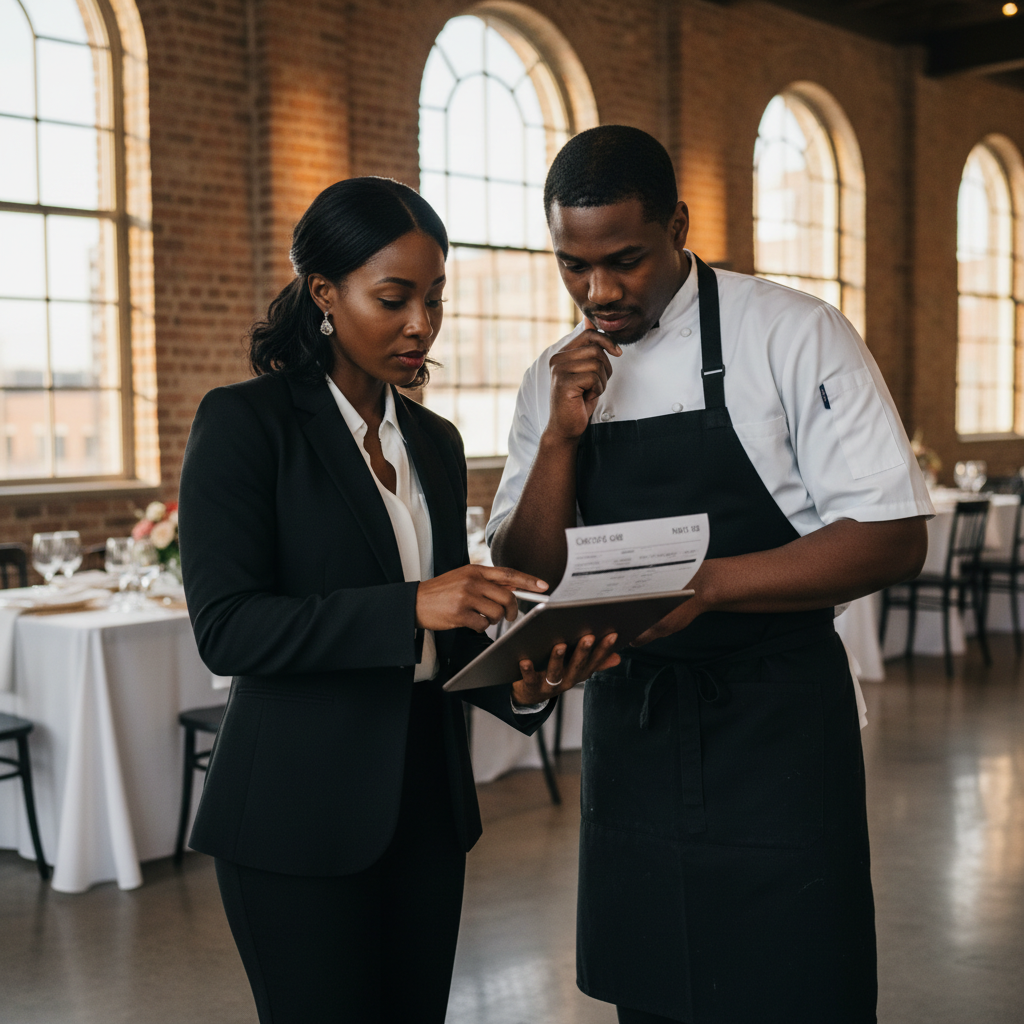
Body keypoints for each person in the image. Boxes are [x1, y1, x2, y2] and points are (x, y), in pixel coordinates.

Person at [489, 126, 934, 1024]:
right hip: (636, 727)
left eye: (625, 260)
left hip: (777, 724)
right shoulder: (554, 375)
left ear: (678, 226)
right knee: (651, 988)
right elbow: (526, 569)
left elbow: (892, 536)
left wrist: (709, 586)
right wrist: (558, 439)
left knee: (799, 985)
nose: (599, 291)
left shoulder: (793, 331)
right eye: (573, 267)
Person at [177, 176, 619, 1024]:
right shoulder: (246, 424)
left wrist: (523, 681)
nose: (421, 324)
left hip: (426, 807)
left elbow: (446, 642)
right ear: (323, 295)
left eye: (434, 297)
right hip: (295, 815)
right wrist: (409, 603)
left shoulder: (436, 442)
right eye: (393, 297)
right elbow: (227, 630)